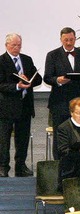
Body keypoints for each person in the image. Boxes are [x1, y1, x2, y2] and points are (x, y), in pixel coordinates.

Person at [44, 27, 80, 160]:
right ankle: (59, 163)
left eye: (71, 39)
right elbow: (47, 77)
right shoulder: (52, 55)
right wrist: (58, 80)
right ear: (61, 39)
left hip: (79, 102)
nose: (69, 43)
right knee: (59, 134)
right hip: (59, 102)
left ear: (75, 39)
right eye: (66, 40)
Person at [0, 33, 43, 177]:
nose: (16, 48)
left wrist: (31, 81)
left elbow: (38, 79)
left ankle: (20, 166)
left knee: (23, 139)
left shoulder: (26, 59)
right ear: (6, 45)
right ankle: (3, 167)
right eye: (13, 45)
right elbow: (1, 85)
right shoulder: (1, 61)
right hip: (6, 108)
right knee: (4, 139)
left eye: (19, 45)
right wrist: (17, 86)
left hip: (25, 106)